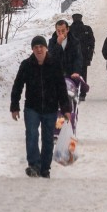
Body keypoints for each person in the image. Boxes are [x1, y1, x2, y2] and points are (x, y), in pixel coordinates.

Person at [10, 35, 72, 178]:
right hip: (32, 107)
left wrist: (66, 109)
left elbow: (61, 88)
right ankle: (33, 165)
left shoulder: (55, 64)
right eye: (35, 47)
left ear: (46, 48)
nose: (38, 49)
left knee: (48, 138)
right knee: (31, 135)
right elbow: (17, 86)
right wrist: (14, 106)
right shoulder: (26, 65)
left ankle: (45, 168)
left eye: (41, 47)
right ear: (32, 49)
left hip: (50, 108)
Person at [70, 13, 95, 100]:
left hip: (71, 57)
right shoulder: (87, 29)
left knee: (72, 74)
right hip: (84, 56)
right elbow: (92, 43)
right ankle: (82, 94)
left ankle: (73, 91)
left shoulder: (69, 29)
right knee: (83, 74)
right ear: (81, 19)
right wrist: (89, 56)